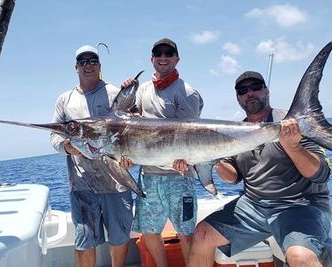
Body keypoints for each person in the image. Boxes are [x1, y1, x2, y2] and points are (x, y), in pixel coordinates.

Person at [187, 71, 332, 267]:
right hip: (253, 206)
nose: (250, 93)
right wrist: (213, 159)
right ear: (238, 97)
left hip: (298, 206)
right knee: (202, 234)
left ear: (266, 90)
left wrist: (293, 147)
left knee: (301, 257)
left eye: (255, 87)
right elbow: (232, 178)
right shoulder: (235, 132)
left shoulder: (291, 124)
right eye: (243, 90)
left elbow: (320, 174)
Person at [121, 38, 204, 266]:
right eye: (159, 53)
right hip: (148, 176)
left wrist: (186, 160)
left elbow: (190, 136)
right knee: (148, 231)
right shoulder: (143, 90)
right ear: (152, 59)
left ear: (177, 58)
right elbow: (130, 123)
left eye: (169, 53)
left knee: (186, 233)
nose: (164, 57)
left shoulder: (187, 92)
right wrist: (126, 91)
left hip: (180, 175)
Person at [50, 45, 133, 267]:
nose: (88, 65)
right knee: (84, 242)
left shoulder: (115, 94)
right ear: (76, 67)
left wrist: (130, 157)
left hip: (116, 181)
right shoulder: (64, 100)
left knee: (119, 238)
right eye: (83, 62)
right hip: (81, 184)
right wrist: (67, 148)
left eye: (92, 60)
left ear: (99, 65)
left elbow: (133, 132)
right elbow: (55, 137)